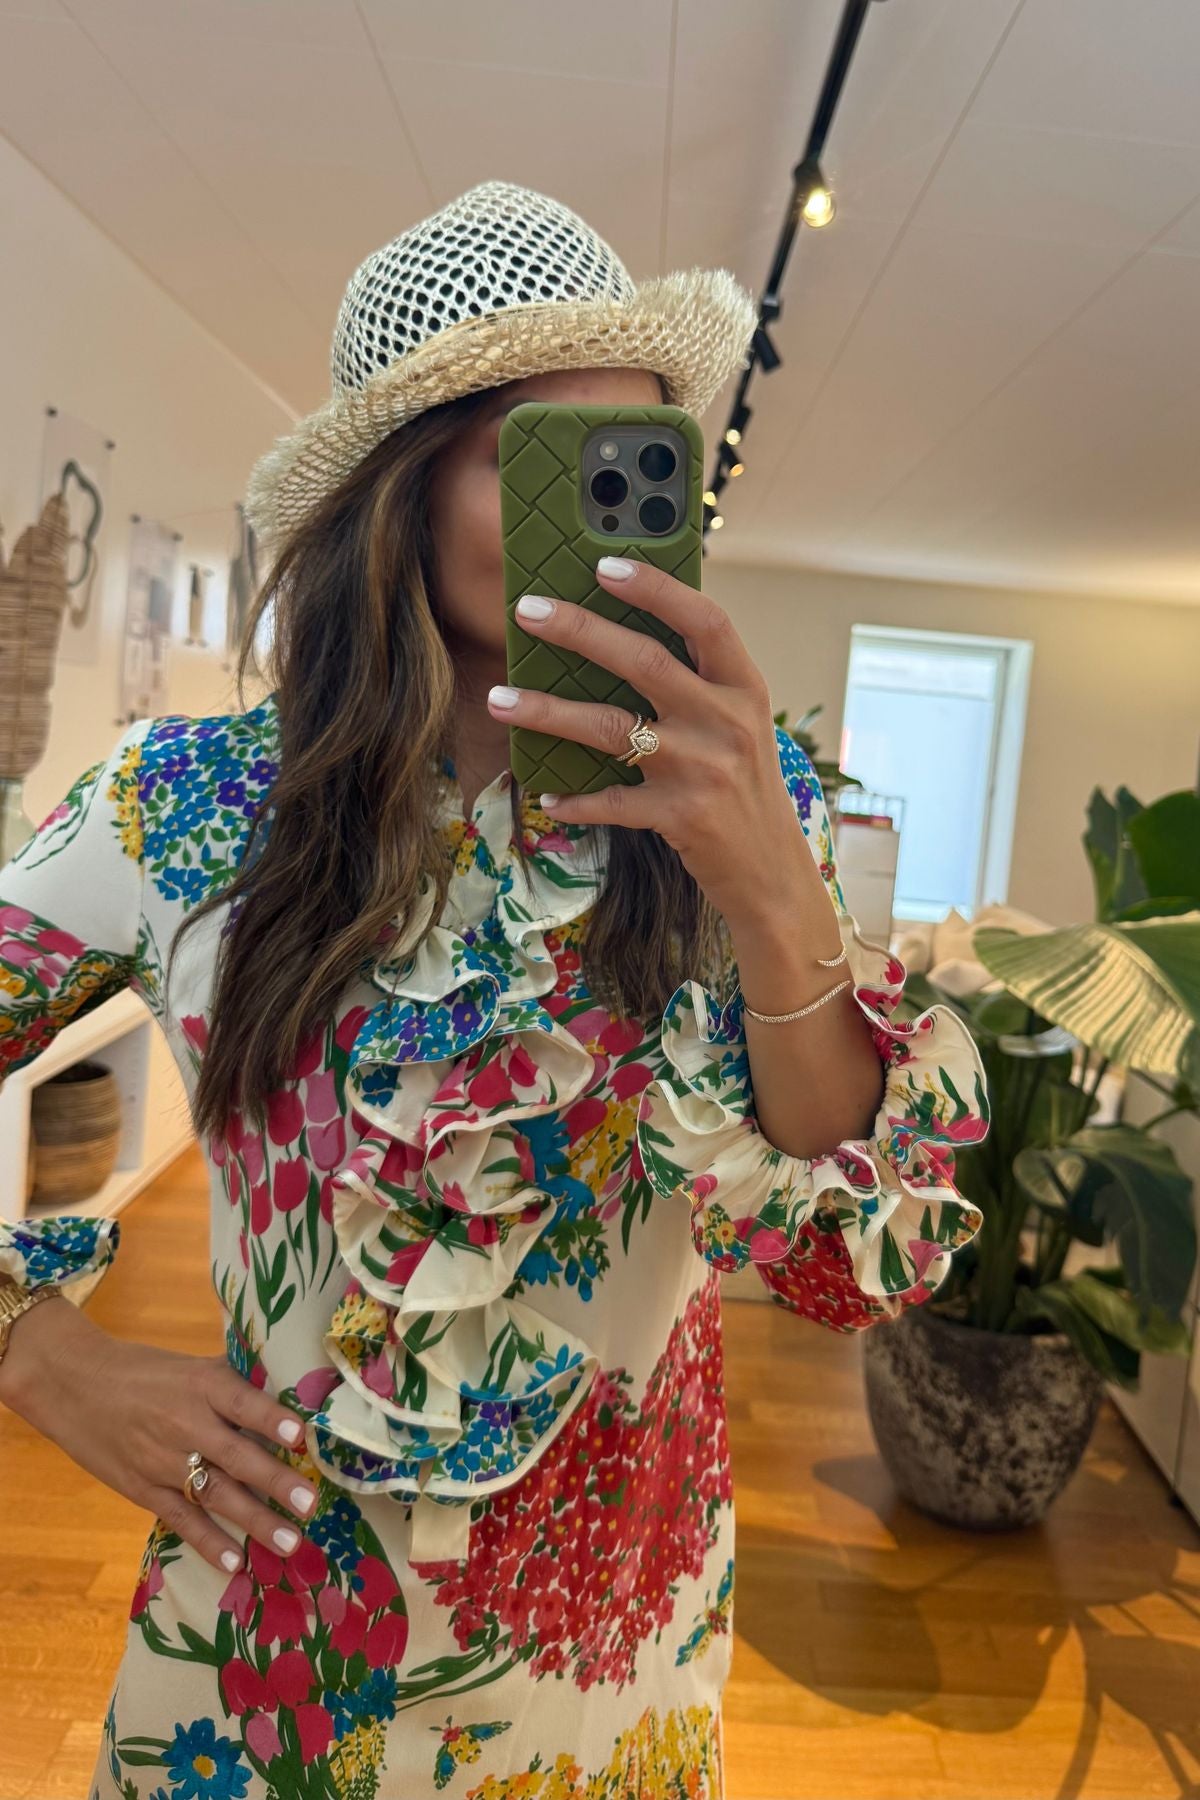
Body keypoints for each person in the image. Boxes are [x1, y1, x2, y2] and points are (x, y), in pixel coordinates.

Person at [0, 182, 990, 1800]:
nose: (605, 518)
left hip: (610, 1682)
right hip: (263, 1677)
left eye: (639, 461)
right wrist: (42, 1354)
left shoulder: (754, 811)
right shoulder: (183, 808)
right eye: (545, 460)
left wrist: (767, 885)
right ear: (398, 493)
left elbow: (851, 1268)